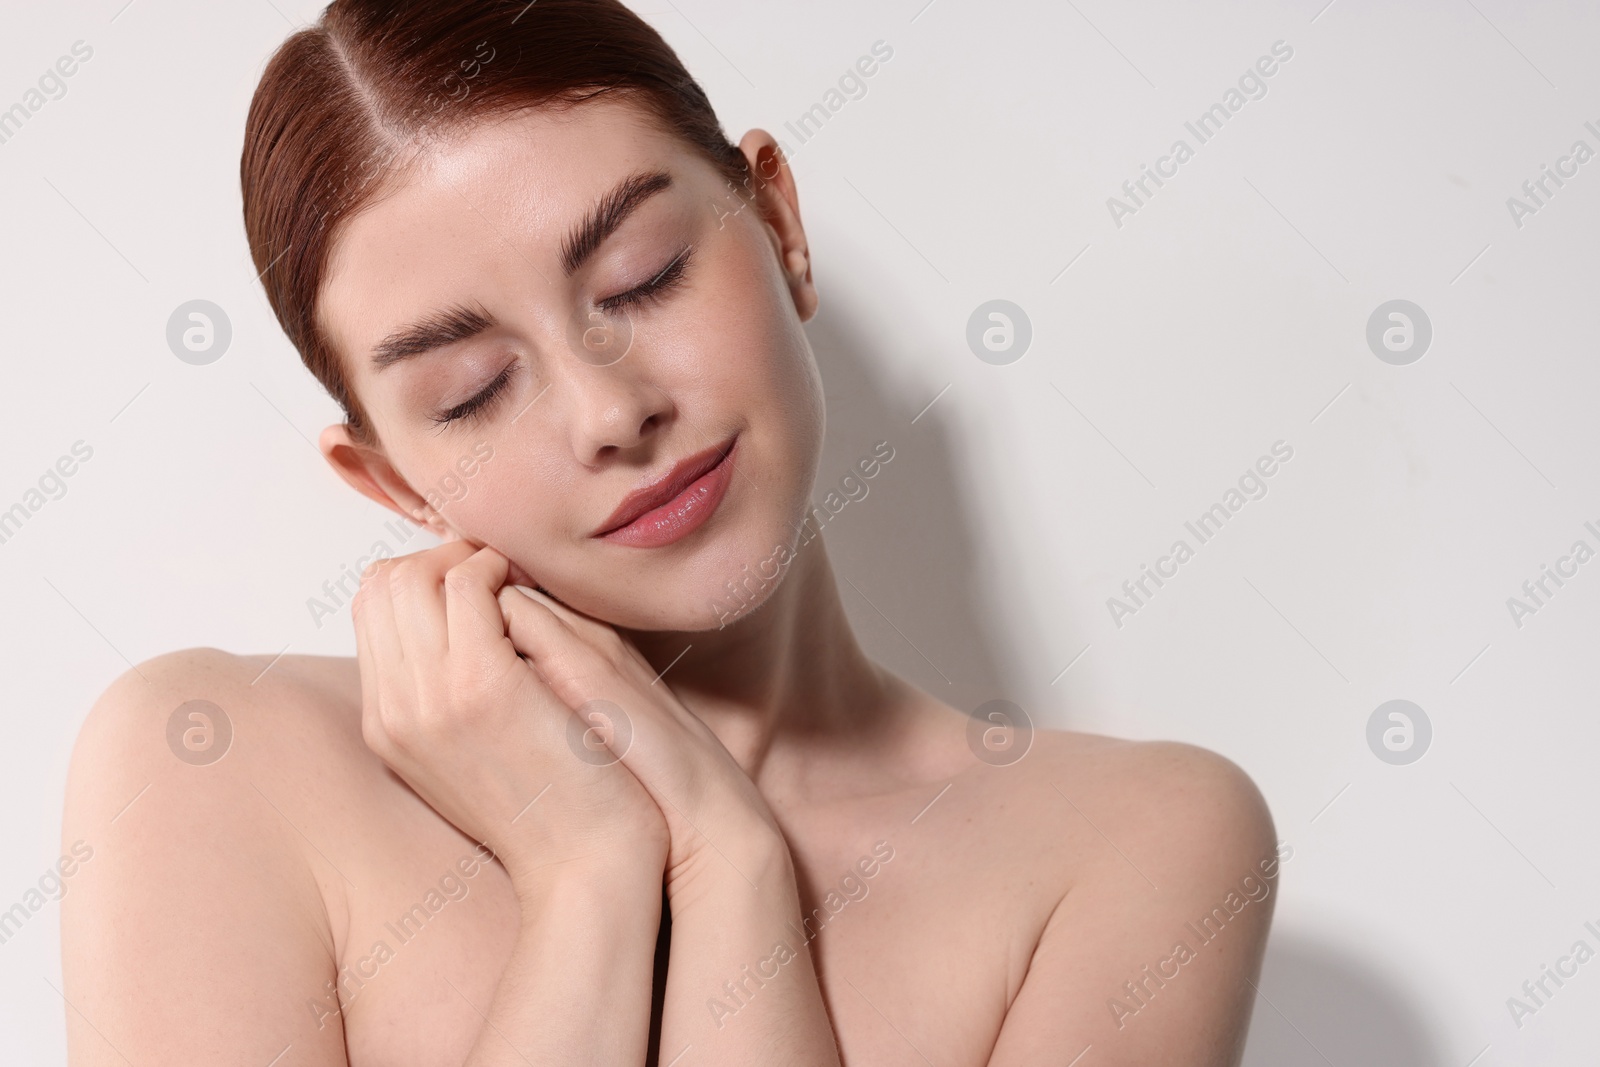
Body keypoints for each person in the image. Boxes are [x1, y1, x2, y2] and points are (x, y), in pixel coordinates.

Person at [61, 1, 1280, 1063]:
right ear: (393, 483)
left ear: (779, 220)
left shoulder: (1136, 849)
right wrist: (591, 872)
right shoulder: (215, 765)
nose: (609, 409)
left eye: (641, 277)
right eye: (473, 389)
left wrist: (726, 860)